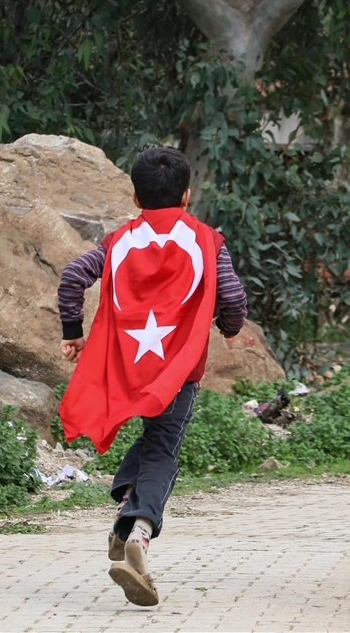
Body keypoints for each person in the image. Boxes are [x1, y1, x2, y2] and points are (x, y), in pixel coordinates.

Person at [57, 147, 247, 606]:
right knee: (164, 446)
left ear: (136, 196)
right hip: (177, 369)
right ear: (186, 194)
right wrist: (229, 327)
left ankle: (126, 506)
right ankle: (138, 536)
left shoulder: (118, 241)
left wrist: (72, 333)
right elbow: (233, 295)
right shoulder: (207, 240)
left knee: (151, 440)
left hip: (127, 363)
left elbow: (71, 278)